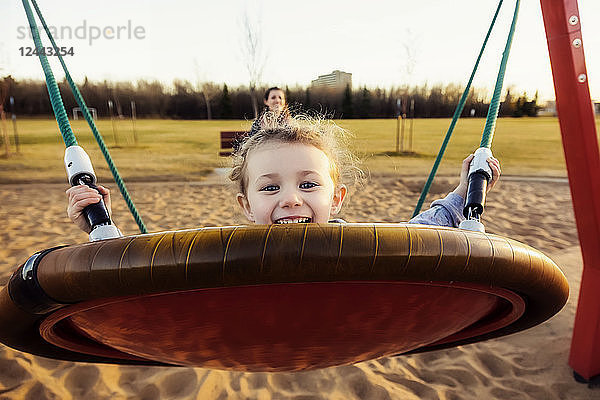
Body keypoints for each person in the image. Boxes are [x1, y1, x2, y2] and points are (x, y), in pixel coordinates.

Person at [66, 114, 500, 233]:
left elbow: (421, 232)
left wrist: (465, 192)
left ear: (337, 199)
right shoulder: (227, 253)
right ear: (247, 204)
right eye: (270, 187)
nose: (291, 199)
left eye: (308, 184)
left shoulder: (363, 245)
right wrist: (101, 226)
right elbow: (149, 277)